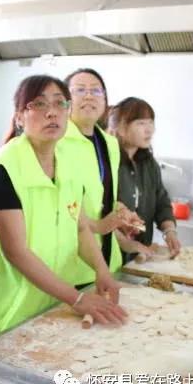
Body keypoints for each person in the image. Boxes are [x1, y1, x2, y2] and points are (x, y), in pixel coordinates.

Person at [0, 75, 128, 342]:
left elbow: (79, 228)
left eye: (59, 104)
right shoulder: (2, 170)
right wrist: (77, 298)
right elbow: (16, 252)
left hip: (52, 305)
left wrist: (102, 271)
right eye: (39, 104)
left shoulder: (68, 164)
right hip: (9, 312)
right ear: (20, 117)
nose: (52, 112)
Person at [61, 68, 140, 284]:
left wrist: (121, 213)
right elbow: (56, 207)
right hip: (71, 267)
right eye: (80, 90)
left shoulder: (109, 143)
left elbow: (103, 195)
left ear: (105, 101)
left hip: (108, 262)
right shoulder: (57, 142)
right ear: (65, 101)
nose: (89, 96)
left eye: (96, 91)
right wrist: (99, 226)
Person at [107, 97, 182, 261]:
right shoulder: (107, 162)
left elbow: (161, 202)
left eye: (151, 122)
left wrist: (169, 231)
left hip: (140, 257)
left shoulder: (149, 164)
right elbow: (99, 211)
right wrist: (127, 243)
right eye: (141, 123)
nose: (149, 130)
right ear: (121, 127)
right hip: (111, 256)